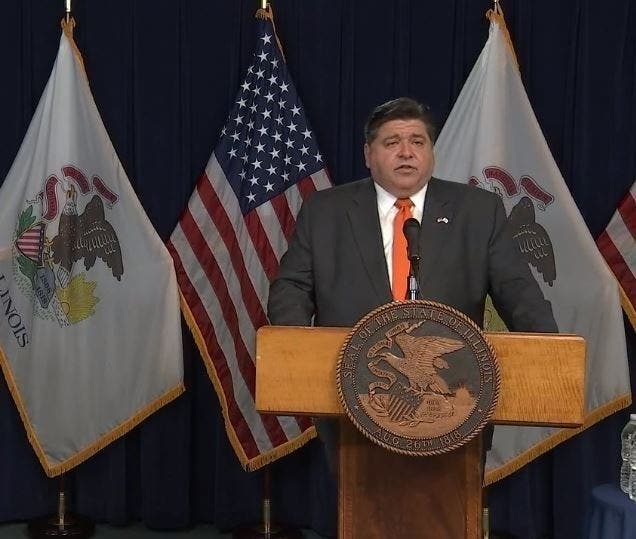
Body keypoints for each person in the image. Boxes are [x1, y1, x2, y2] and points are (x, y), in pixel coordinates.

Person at [267, 97, 557, 469]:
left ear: (431, 152)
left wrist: (548, 356)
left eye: (417, 142)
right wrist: (297, 355)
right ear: (368, 154)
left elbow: (519, 292)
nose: (406, 152)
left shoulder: (478, 210)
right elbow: (291, 289)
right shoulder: (326, 212)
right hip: (350, 399)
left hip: (455, 401)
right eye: (392, 143)